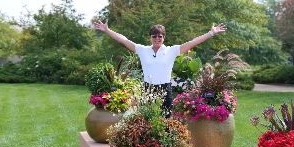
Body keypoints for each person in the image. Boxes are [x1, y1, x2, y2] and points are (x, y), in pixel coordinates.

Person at [94, 19, 227, 118]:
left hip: (165, 90)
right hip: (148, 89)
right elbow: (124, 40)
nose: (157, 38)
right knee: (147, 119)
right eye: (154, 36)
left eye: (160, 36)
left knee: (165, 120)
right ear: (150, 37)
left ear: (164, 37)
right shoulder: (142, 50)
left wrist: (211, 33)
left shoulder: (172, 50)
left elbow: (193, 42)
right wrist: (107, 30)